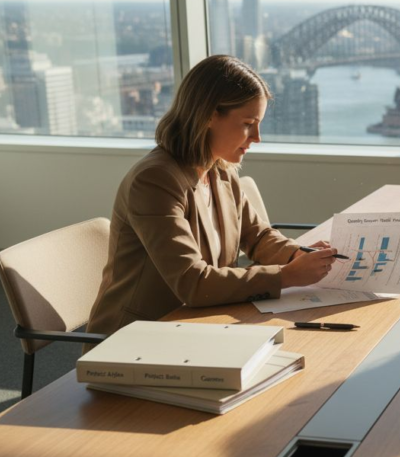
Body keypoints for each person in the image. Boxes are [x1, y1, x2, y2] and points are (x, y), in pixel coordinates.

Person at [86, 55, 338, 336]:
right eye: (248, 123)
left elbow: (256, 236)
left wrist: (298, 255)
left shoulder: (220, 169)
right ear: (208, 115)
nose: (257, 137)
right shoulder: (154, 181)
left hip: (200, 323)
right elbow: (192, 283)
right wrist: (286, 276)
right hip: (140, 335)